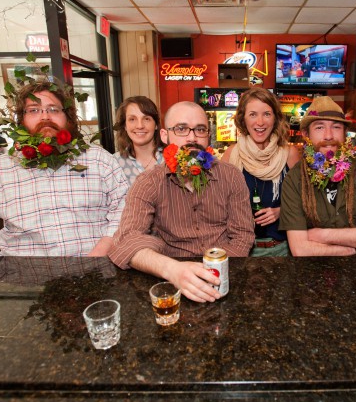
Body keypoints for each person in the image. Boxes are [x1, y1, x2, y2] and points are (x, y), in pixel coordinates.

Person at [0, 80, 128, 257]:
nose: (45, 117)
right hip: (24, 275)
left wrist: (95, 259)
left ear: (67, 117)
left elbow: (124, 213)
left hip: (95, 269)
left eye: (53, 109)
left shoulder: (99, 160)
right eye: (34, 110)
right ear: (21, 121)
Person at [109, 101, 254, 303]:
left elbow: (243, 235)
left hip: (225, 275)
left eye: (200, 129)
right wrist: (172, 269)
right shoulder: (149, 182)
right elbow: (126, 240)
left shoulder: (231, 176)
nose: (192, 137)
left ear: (208, 136)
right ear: (164, 136)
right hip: (170, 281)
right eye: (181, 128)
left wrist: (212, 272)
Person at [278, 96, 356, 256]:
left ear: (345, 133)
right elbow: (300, 249)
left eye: (336, 127)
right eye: (319, 127)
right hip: (314, 270)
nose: (328, 136)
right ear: (305, 134)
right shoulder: (295, 179)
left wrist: (321, 235)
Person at [222, 87, 301, 256]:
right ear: (243, 119)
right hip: (241, 249)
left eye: (266, 114)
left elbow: (306, 202)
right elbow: (217, 204)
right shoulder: (231, 154)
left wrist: (281, 211)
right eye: (252, 114)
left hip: (282, 249)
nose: (260, 122)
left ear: (276, 119)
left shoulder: (289, 154)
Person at [113, 96, 164, 184]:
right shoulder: (114, 163)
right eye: (132, 119)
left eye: (146, 119)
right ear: (125, 125)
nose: (140, 126)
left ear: (156, 125)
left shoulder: (173, 158)